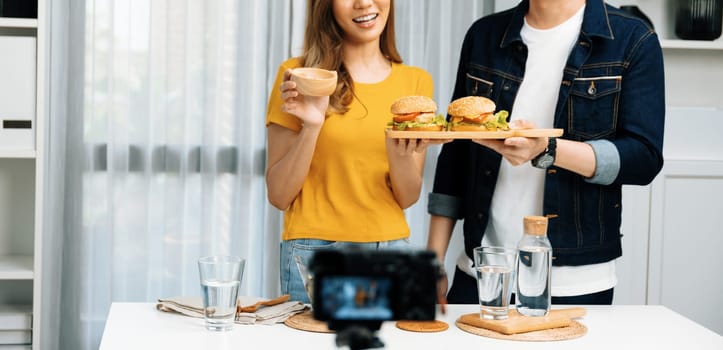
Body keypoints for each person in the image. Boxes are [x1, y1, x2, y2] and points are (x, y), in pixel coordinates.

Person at [427, 0, 665, 305]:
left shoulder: (633, 39)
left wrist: (548, 150)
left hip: (575, 284)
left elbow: (643, 157)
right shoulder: (484, 35)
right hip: (481, 275)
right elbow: (455, 159)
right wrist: (432, 262)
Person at [265, 0, 439, 303]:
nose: (364, 3)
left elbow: (407, 197)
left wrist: (398, 150)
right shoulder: (298, 76)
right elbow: (279, 195)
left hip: (391, 250)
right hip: (317, 253)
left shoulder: (415, 82)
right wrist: (312, 126)